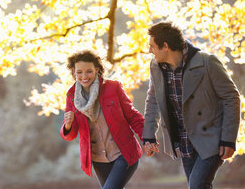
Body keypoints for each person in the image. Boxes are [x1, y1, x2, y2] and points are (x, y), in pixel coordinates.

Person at [142, 21, 240, 188]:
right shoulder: (156, 66)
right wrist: (148, 136)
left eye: (152, 46)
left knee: (197, 185)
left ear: (165, 46)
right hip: (183, 141)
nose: (149, 50)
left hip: (211, 138)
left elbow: (231, 98)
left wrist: (228, 139)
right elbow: (153, 99)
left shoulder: (207, 62)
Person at [60, 50, 145, 188]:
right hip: (98, 159)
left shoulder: (112, 87)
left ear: (97, 69)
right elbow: (71, 134)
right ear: (73, 71)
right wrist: (68, 125)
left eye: (89, 71)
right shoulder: (71, 96)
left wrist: (147, 139)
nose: (84, 76)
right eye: (79, 72)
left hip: (123, 153)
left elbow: (132, 115)